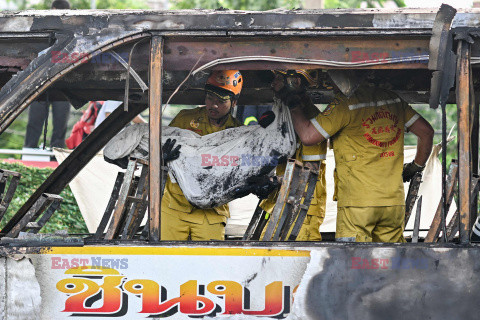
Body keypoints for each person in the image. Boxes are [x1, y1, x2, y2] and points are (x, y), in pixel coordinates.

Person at [285, 69, 434, 243]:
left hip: (358, 205)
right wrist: (416, 166)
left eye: (330, 81)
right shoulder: (393, 99)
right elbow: (427, 133)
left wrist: (292, 103)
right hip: (393, 203)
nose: (329, 86)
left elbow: (308, 136)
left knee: (353, 262)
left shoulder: (345, 104)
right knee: (389, 263)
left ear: (340, 81)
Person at [161, 70, 243, 241]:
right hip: (174, 206)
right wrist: (163, 156)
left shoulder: (238, 133)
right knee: (167, 259)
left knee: (209, 263)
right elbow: (159, 149)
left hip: (212, 212)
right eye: (209, 98)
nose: (213, 105)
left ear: (234, 102)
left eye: (221, 101)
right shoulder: (184, 119)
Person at [260, 70, 327, 241]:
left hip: (303, 206)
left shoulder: (311, 118)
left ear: (296, 83)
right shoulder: (284, 115)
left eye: (280, 81)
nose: (274, 85)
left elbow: (310, 171)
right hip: (283, 201)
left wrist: (276, 181)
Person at [23, 0, 72, 150]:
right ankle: (41, 151)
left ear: (54, 8)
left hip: (53, 80)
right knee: (56, 124)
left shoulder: (66, 28)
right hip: (55, 80)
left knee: (46, 122)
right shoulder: (50, 25)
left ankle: (37, 150)